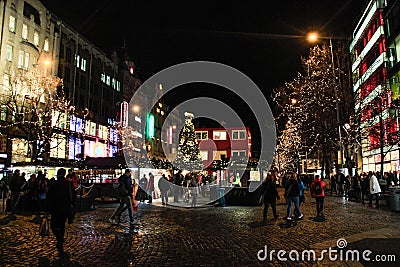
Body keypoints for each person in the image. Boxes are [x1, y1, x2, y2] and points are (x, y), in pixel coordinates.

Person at [46, 168, 76, 256]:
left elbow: (49, 197)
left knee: (53, 225)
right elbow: (73, 196)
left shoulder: (53, 184)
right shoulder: (68, 184)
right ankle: (60, 238)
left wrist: (47, 209)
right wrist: (72, 206)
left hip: (55, 208)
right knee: (62, 224)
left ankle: (59, 238)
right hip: (65, 208)